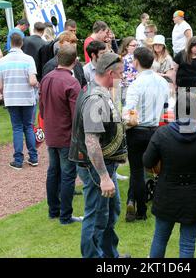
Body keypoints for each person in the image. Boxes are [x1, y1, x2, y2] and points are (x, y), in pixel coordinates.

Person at [143, 91, 196, 258]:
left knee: (160, 238)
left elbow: (147, 162)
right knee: (187, 244)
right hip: (194, 195)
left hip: (168, 194)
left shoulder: (162, 134)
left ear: (176, 111)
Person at [69, 52, 128, 258]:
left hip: (105, 166)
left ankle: (110, 255)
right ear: (110, 73)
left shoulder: (100, 91)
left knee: (111, 212)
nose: (123, 77)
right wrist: (103, 177)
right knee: (96, 217)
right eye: (121, 73)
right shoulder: (95, 98)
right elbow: (91, 140)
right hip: (95, 169)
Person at [122, 47, 170, 222]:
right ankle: (134, 202)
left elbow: (128, 112)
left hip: (138, 131)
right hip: (156, 131)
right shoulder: (162, 82)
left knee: (136, 172)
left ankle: (140, 209)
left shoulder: (136, 84)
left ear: (136, 62)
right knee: (154, 171)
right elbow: (165, 108)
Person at [39, 45, 83, 225]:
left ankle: (53, 210)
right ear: (75, 61)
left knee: (53, 171)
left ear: (58, 59)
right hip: (65, 135)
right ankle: (65, 215)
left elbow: (41, 107)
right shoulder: (71, 82)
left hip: (51, 131)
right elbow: (77, 114)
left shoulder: (47, 78)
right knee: (66, 174)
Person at [0, 33, 39, 170]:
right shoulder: (28, 59)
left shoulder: (2, 61)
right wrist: (37, 84)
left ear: (10, 43)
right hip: (27, 97)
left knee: (17, 127)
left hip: (11, 98)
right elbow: (32, 81)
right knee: (28, 126)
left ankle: (18, 160)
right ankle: (33, 157)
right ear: (22, 43)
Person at [119, 37, 139, 102]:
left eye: (137, 45)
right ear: (127, 47)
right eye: (133, 45)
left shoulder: (138, 57)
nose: (136, 47)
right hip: (126, 88)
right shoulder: (121, 59)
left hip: (136, 88)